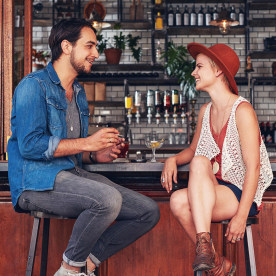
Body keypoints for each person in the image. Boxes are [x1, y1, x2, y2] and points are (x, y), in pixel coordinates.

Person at [7, 18, 160, 276]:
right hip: (34, 182)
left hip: (70, 174)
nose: (96, 54)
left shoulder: (77, 92)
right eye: (89, 46)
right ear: (67, 47)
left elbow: (71, 149)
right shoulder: (33, 86)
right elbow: (30, 146)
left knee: (147, 211)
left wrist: (95, 153)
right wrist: (87, 141)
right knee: (107, 199)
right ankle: (68, 271)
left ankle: (85, 264)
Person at [161, 43, 273, 275]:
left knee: (187, 189)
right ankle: (215, 259)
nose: (194, 72)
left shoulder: (242, 111)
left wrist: (241, 216)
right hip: (217, 189)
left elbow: (254, 168)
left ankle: (210, 257)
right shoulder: (206, 111)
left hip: (243, 193)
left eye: (199, 66)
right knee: (181, 193)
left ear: (218, 71)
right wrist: (172, 159)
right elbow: (193, 150)